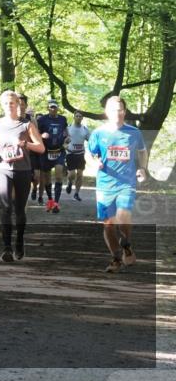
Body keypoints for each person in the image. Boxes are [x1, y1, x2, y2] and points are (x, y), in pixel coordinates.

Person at [86, 95, 148, 273]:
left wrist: (142, 168)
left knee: (124, 214)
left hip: (126, 182)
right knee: (108, 224)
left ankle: (126, 243)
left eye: (120, 109)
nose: (117, 113)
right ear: (106, 112)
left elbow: (142, 152)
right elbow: (88, 153)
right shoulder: (98, 133)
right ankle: (115, 258)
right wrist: (92, 162)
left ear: (125, 111)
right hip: (105, 183)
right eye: (113, 109)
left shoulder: (134, 132)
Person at [0, 89, 45, 262]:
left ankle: (19, 241)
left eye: (12, 103)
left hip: (22, 170)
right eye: (5, 103)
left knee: (19, 209)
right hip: (3, 169)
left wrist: (25, 144)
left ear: (18, 105)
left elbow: (41, 148)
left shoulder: (27, 125)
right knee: (6, 207)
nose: (9, 106)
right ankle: (6, 247)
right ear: (2, 105)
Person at [36, 99, 69, 212]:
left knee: (59, 175)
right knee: (47, 178)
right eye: (51, 107)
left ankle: (56, 203)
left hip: (59, 151)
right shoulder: (42, 120)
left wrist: (67, 139)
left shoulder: (62, 119)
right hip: (46, 152)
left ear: (58, 108)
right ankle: (50, 200)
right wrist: (41, 135)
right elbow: (35, 134)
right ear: (48, 108)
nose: (53, 109)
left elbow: (65, 131)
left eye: (55, 107)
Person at [19, 95, 43, 204]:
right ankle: (22, 201)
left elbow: (36, 136)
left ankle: (34, 189)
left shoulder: (31, 119)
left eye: (22, 104)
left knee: (37, 176)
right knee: (24, 179)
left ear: (26, 106)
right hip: (18, 154)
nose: (19, 106)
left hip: (31, 152)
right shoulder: (8, 119)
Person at [65, 112, 90, 201]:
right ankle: (69, 183)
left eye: (80, 116)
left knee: (80, 174)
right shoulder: (68, 128)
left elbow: (90, 141)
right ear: (74, 117)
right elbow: (63, 140)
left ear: (82, 118)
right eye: (77, 116)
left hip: (80, 154)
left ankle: (76, 193)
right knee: (72, 174)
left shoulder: (85, 129)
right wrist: (64, 145)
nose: (78, 117)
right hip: (70, 153)